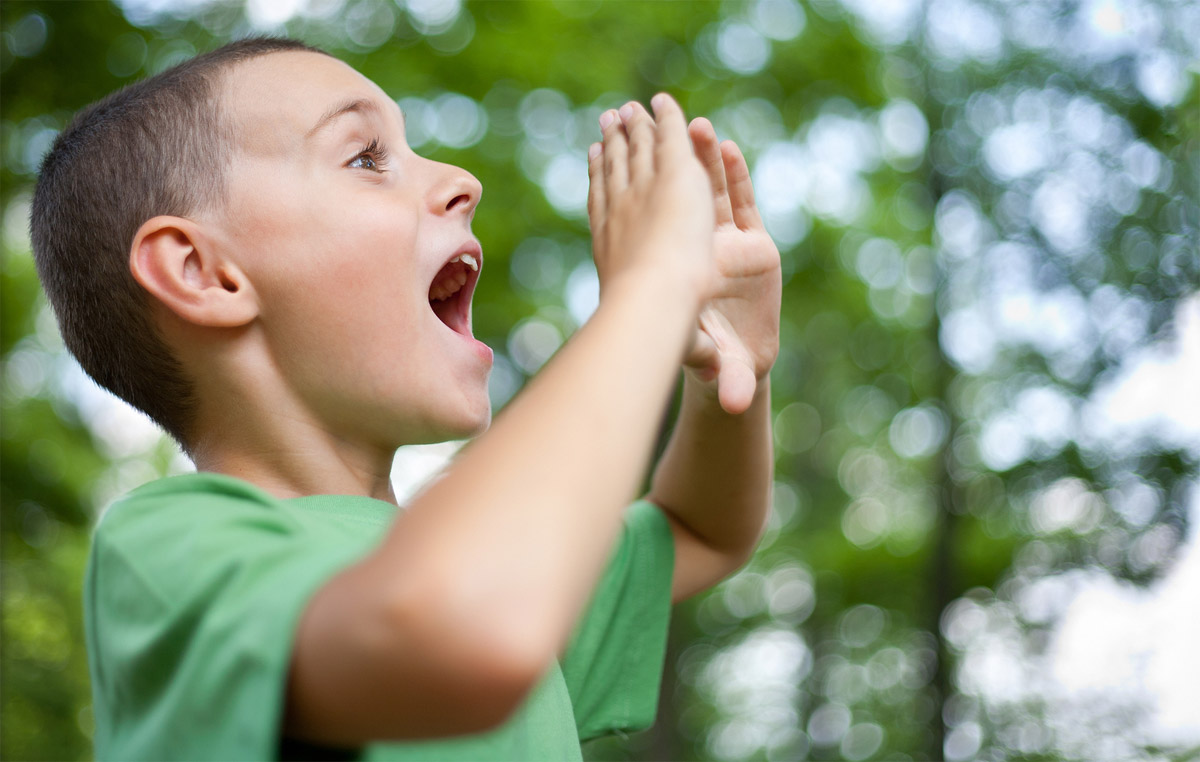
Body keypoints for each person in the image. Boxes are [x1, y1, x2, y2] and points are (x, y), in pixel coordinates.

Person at [30, 36, 781, 760]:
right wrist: (649, 292)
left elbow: (699, 531)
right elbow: (461, 628)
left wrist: (722, 381)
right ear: (204, 273)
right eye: (366, 157)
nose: (463, 181)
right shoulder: (171, 550)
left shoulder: (490, 552)